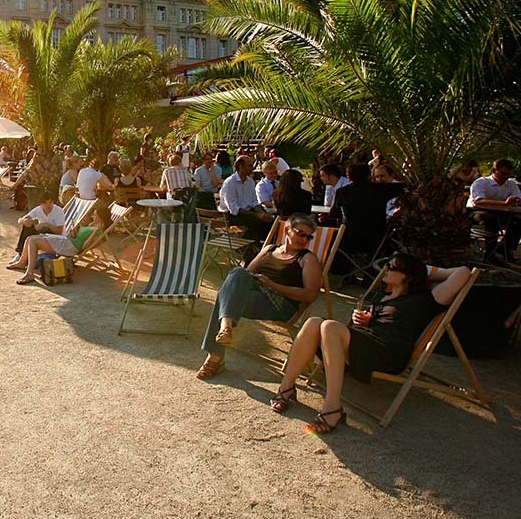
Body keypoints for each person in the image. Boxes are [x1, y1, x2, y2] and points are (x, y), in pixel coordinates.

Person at [270, 256, 470, 433]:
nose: (385, 269)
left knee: (330, 326)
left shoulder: (427, 299)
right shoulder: (383, 297)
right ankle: (286, 388)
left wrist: (426, 272)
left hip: (387, 353)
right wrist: (365, 320)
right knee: (314, 322)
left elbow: (464, 272)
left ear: (407, 276)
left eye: (391, 267)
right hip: (366, 345)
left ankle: (332, 409)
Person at [196, 213, 322, 380]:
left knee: (224, 296)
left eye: (308, 237)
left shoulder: (307, 259)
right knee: (237, 274)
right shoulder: (269, 249)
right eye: (301, 233)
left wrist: (272, 284)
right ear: (287, 230)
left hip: (281, 304)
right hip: (257, 295)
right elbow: (246, 275)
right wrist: (256, 283)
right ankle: (225, 328)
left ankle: (215, 355)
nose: (304, 239)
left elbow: (311, 295)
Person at [9, 206, 112, 285]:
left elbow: (85, 247)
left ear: (101, 217)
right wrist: (74, 234)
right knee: (30, 238)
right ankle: (22, 263)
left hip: (69, 247)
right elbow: (80, 238)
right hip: (67, 240)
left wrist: (95, 232)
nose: (92, 216)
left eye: (95, 215)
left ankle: (30, 274)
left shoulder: (99, 232)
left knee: (33, 241)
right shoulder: (93, 225)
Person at [467, 158, 521, 264]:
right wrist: (504, 203)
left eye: (508, 174)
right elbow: (479, 201)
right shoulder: (481, 182)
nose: (505, 177)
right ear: (494, 170)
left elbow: (518, 198)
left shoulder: (511, 184)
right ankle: (489, 254)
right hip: (477, 211)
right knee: (492, 220)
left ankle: (505, 248)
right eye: (503, 173)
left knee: (518, 221)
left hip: (502, 212)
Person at [218, 155, 273, 242]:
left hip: (247, 212)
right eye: (250, 165)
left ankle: (259, 245)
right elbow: (234, 209)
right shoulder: (229, 183)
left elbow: (254, 202)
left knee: (270, 221)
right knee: (258, 223)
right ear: (241, 166)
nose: (252, 168)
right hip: (231, 215)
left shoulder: (250, 181)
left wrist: (262, 213)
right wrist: (257, 215)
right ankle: (249, 247)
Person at [7, 192, 66, 266]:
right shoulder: (38, 209)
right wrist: (24, 221)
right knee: (27, 227)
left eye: (50, 202)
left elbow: (59, 231)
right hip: (43, 235)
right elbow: (20, 220)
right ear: (41, 204)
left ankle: (24, 258)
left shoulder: (58, 211)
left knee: (44, 228)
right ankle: (20, 254)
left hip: (54, 236)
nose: (48, 205)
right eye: (45, 203)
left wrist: (46, 224)